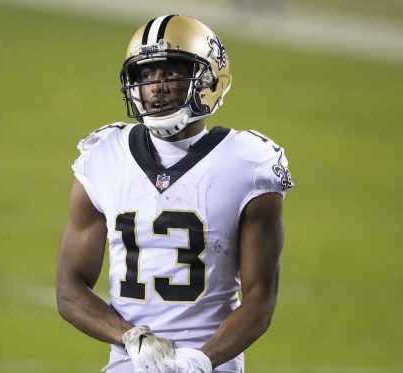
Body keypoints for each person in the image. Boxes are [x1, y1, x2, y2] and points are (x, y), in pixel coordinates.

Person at [56, 14, 293, 373]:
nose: (157, 86)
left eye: (171, 73)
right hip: (129, 365)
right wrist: (131, 338)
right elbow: (68, 290)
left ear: (210, 79)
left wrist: (200, 360)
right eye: (146, 75)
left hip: (211, 365)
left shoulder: (248, 164)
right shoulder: (102, 156)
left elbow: (261, 298)